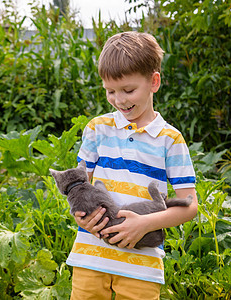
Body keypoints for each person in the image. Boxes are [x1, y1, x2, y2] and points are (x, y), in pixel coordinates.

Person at [67, 31, 198, 300]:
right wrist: (84, 219)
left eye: (128, 90)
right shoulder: (97, 129)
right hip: (91, 255)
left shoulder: (170, 140)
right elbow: (78, 188)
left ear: (154, 82)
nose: (119, 100)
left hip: (141, 265)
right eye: (110, 91)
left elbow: (189, 206)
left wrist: (145, 224)